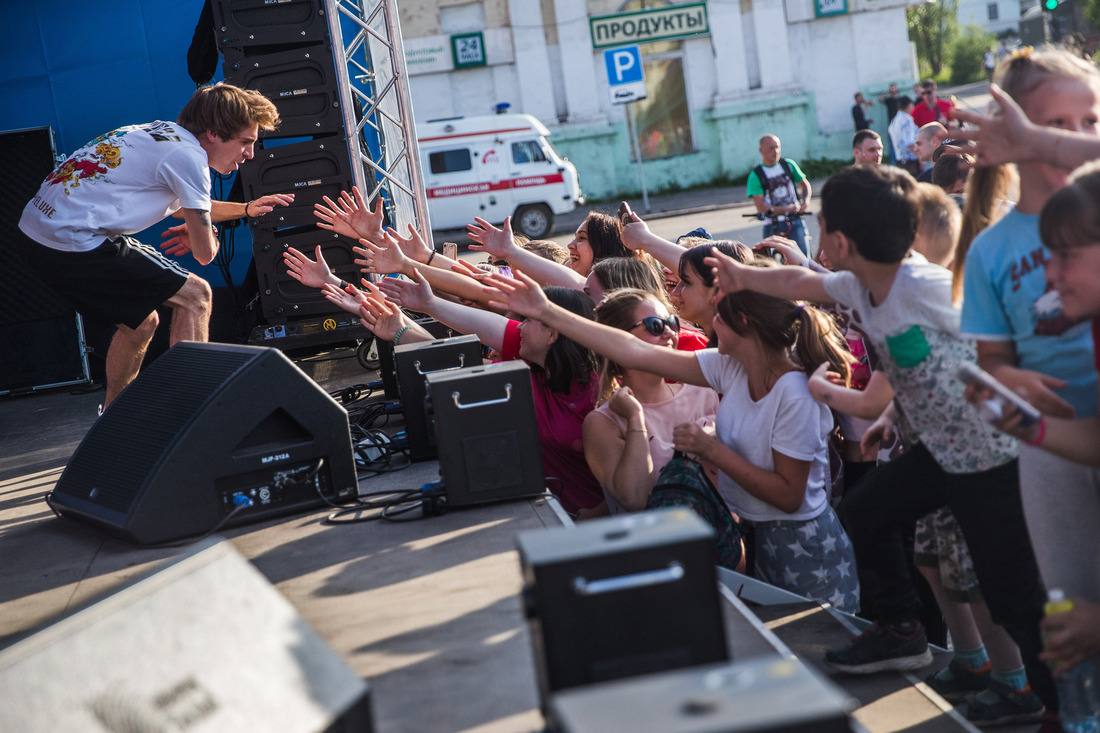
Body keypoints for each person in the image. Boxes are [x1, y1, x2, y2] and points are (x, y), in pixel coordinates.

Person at [706, 165, 1057, 718]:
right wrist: (740, 275)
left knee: (1009, 589)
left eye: (821, 228)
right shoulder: (862, 284)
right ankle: (901, 628)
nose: (817, 240)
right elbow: (798, 284)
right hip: (939, 449)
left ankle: (1046, 701)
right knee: (867, 510)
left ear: (841, 241)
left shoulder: (924, 284)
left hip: (990, 458)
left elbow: (997, 320)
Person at [480, 265, 861, 613]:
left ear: (743, 322)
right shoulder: (730, 368)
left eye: (718, 317)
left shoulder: (793, 392)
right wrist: (547, 312)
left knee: (820, 657)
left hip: (808, 548)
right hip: (760, 540)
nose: (706, 326)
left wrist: (711, 450)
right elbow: (631, 350)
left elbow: (790, 496)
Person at [16, 83, 292, 410]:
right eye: (245, 143)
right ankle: (191, 410)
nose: (249, 155)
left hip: (37, 230)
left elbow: (179, 205)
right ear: (215, 133)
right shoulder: (190, 159)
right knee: (197, 296)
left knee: (142, 324)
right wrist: (206, 234)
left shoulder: (161, 133)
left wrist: (244, 209)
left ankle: (113, 414)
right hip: (71, 237)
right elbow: (204, 254)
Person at [956, 54, 1100, 675]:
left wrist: (1038, 140)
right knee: (1073, 605)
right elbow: (994, 359)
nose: (1078, 137)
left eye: (1089, 119)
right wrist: (1009, 387)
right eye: (1057, 123)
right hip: (1059, 441)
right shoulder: (993, 248)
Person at [581, 288, 719, 513]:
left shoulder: (703, 393)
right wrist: (635, 419)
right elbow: (634, 499)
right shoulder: (603, 421)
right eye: (655, 325)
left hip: (723, 539)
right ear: (619, 339)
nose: (669, 333)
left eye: (672, 323)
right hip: (656, 544)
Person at [747, 135, 812, 256]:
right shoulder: (756, 175)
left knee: (803, 260)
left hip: (795, 221)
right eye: (771, 148)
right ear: (761, 151)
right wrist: (787, 209)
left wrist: (805, 202)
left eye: (777, 147)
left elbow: (805, 185)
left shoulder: (788, 165)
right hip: (772, 225)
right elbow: (761, 207)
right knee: (772, 265)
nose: (775, 151)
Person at [889, 96, 920, 176]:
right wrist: (920, 157)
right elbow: (910, 143)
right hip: (910, 161)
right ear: (909, 105)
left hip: (899, 160)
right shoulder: (906, 120)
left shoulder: (894, 121)